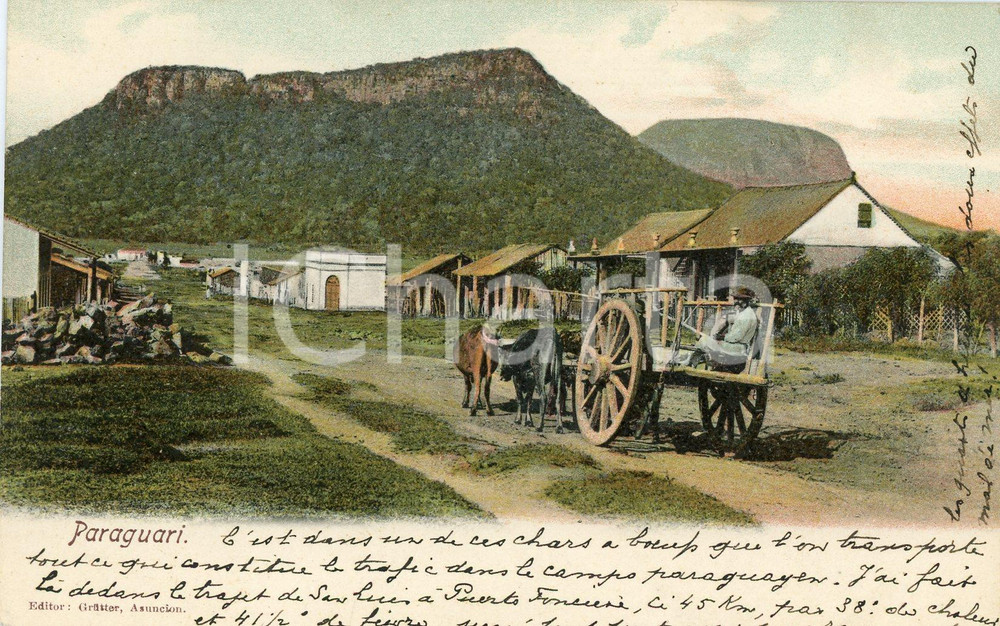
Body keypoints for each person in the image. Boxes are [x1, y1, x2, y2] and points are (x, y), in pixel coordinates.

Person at [686, 286, 759, 369]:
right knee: (708, 341)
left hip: (738, 348)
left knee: (704, 340)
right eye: (735, 299)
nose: (737, 302)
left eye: (740, 299)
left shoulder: (746, 316)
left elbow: (736, 337)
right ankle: (695, 362)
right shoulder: (743, 312)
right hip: (735, 345)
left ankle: (691, 364)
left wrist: (721, 337)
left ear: (747, 301)